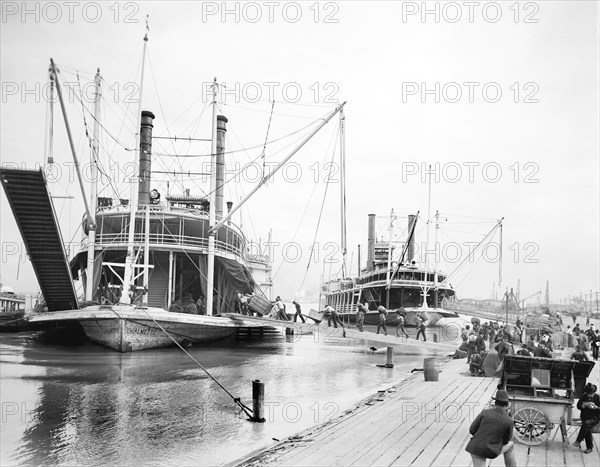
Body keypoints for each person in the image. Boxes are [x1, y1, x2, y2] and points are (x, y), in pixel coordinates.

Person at [465, 389, 516, 467]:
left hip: (475, 447)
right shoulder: (509, 421)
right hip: (492, 450)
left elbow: (472, 430)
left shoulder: (484, 412)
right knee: (511, 444)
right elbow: (506, 441)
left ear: (495, 403)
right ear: (507, 405)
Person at [574, 383, 600, 454]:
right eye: (588, 394)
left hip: (595, 417)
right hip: (585, 416)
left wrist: (597, 408)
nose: (589, 395)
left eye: (591, 394)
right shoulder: (583, 397)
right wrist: (583, 405)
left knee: (586, 424)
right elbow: (578, 406)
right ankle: (589, 447)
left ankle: (579, 440)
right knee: (586, 426)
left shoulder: (598, 397)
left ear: (594, 392)